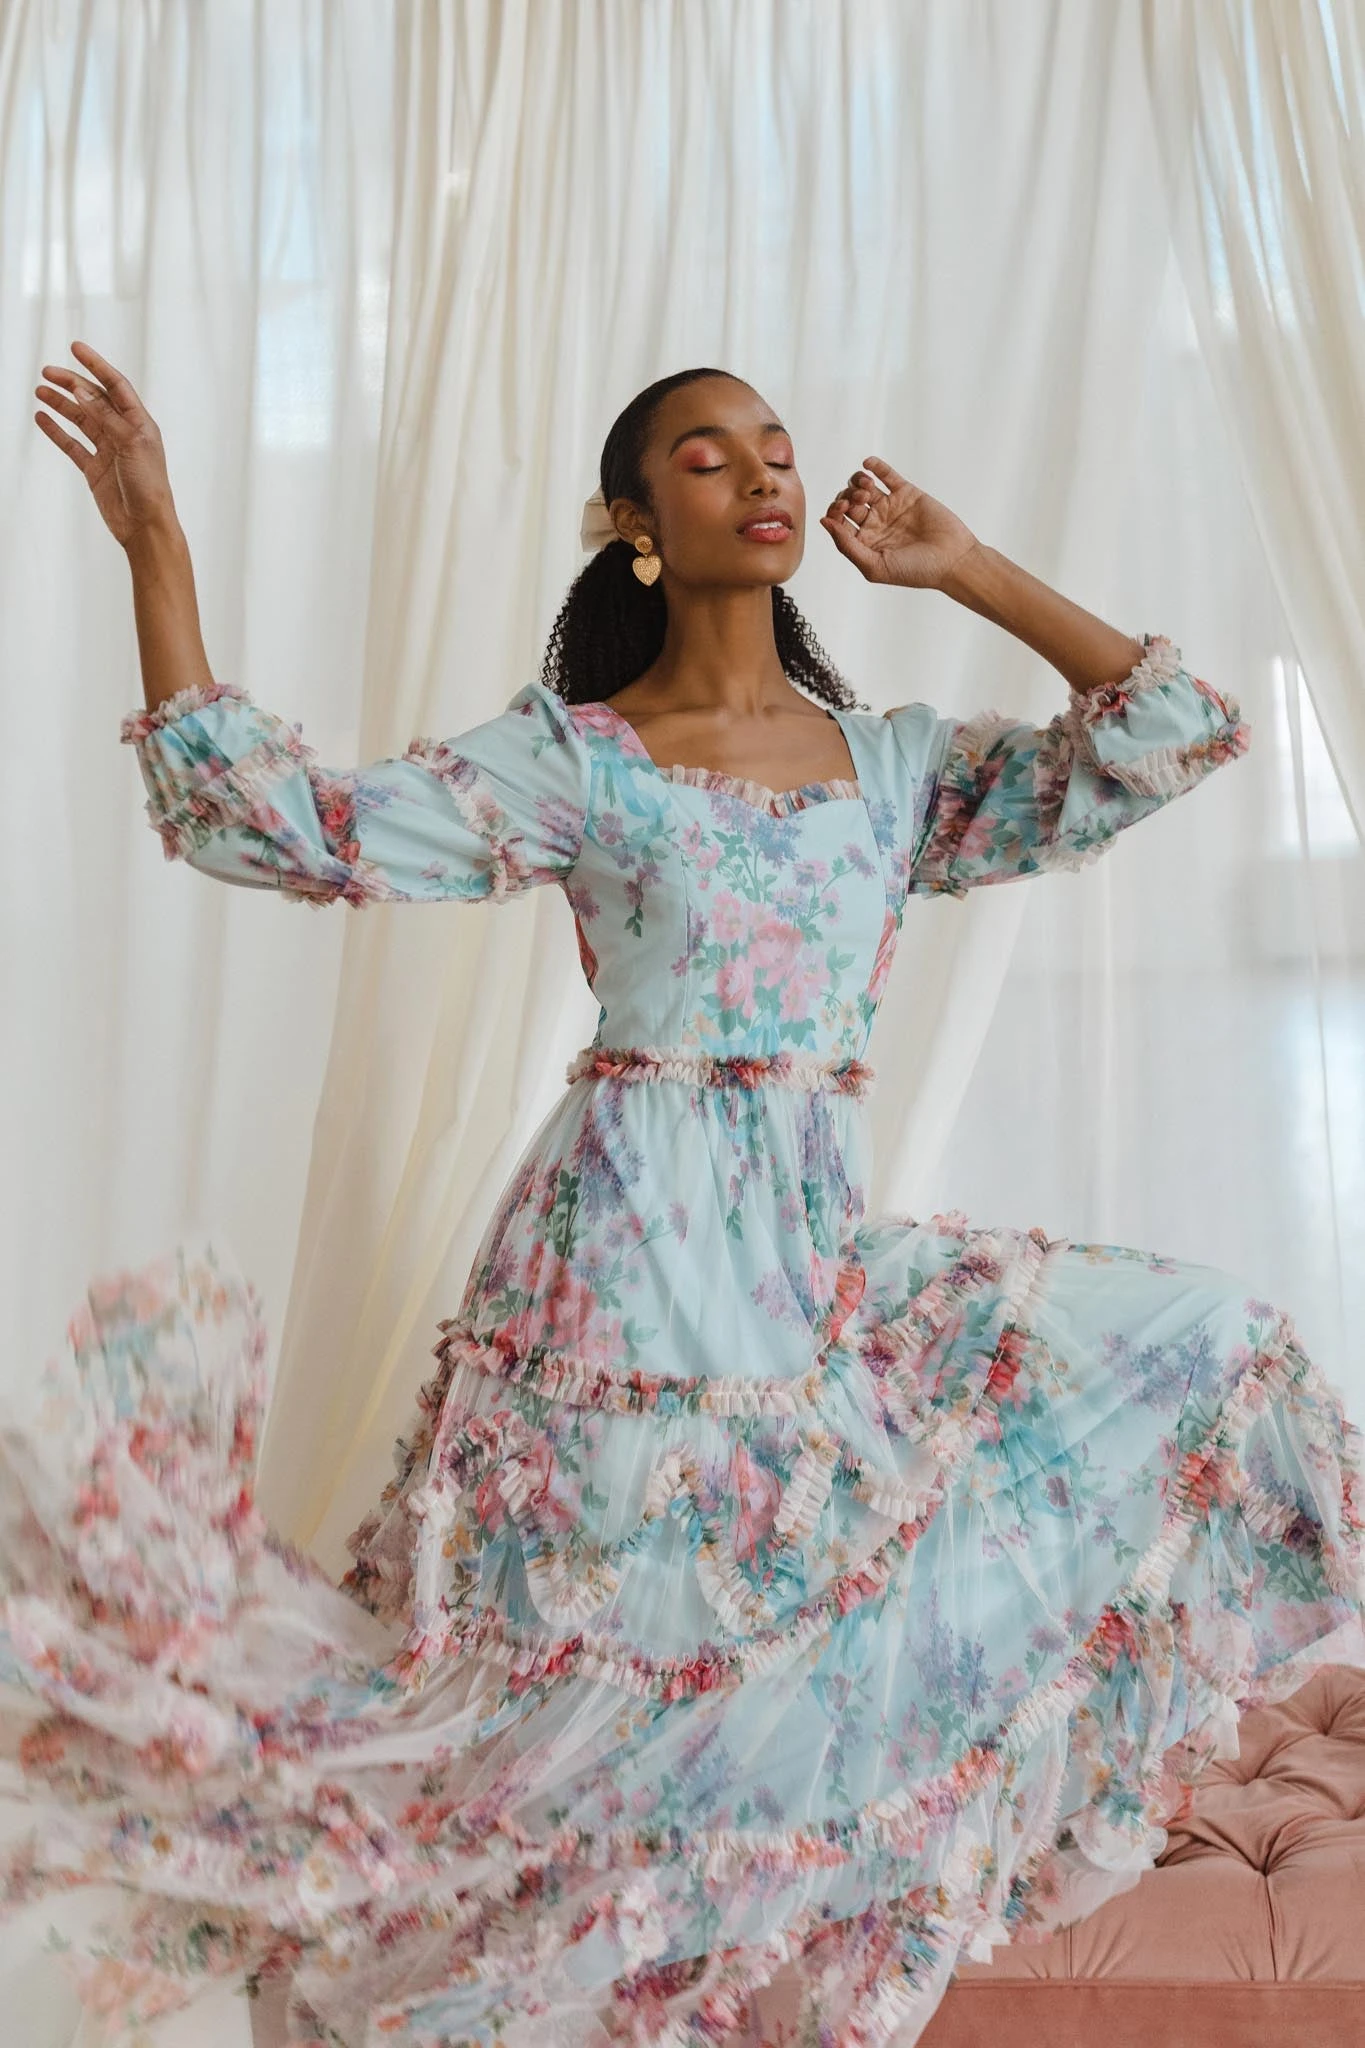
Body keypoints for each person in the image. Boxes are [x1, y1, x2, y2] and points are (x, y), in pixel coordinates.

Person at [11, 343, 1365, 2048]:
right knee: (576, 1709)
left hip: (806, 1275)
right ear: (636, 521)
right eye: (710, 455)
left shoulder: (893, 770)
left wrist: (966, 567)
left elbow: (1171, 734)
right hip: (613, 1278)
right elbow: (263, 824)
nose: (764, 472)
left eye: (776, 445)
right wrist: (155, 537)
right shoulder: (581, 760)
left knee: (1202, 1352)